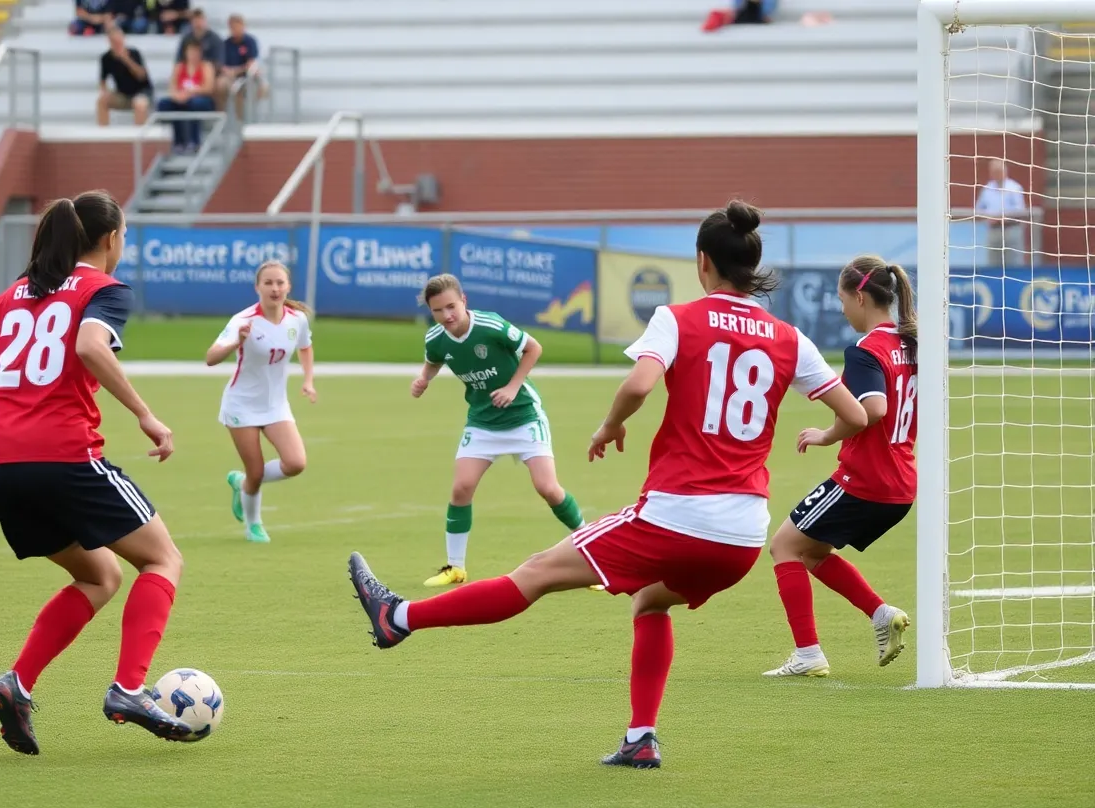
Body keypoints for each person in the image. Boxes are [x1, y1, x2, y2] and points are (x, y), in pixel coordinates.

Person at [349, 202, 867, 768]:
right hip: (743, 534)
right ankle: (640, 738)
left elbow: (641, 384)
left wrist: (611, 424)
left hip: (678, 515)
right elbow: (858, 417)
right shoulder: (789, 337)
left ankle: (397, 618)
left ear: (702, 261)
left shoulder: (678, 317)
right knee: (650, 601)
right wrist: (824, 433)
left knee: (537, 572)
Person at [0, 190, 192, 755]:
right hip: (62, 456)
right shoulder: (104, 290)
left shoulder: (10, 297)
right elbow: (88, 346)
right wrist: (146, 415)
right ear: (110, 239)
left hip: (2, 468)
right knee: (162, 558)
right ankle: (130, 688)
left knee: (100, 576)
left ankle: (17, 683)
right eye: (124, 236)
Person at [763, 255, 916, 678]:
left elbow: (872, 410)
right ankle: (881, 614)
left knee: (783, 547)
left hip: (866, 478)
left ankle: (808, 655)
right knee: (811, 551)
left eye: (842, 299)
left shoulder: (866, 350)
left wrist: (827, 434)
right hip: (902, 482)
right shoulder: (911, 344)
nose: (842, 308)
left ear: (861, 296)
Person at [411, 274, 588, 588]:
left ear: (463, 300)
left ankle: (592, 552)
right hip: (482, 421)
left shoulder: (490, 326)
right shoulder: (435, 337)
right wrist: (424, 378)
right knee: (461, 488)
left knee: (548, 488)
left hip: (524, 416)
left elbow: (533, 348)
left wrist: (512, 386)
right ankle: (455, 567)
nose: (447, 315)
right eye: (438, 310)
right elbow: (434, 360)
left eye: (451, 306)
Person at [205, 261, 315, 543]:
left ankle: (241, 483)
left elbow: (305, 346)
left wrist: (308, 380)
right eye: (268, 283)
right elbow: (211, 357)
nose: (275, 288)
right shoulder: (243, 321)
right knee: (255, 470)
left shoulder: (297, 320)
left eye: (280, 283)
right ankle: (254, 525)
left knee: (296, 463)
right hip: (241, 405)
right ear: (258, 287)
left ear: (288, 286)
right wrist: (234, 343)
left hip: (276, 405)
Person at [156, 39, 215, 154]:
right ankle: (178, 141)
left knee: (194, 104)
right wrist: (177, 96)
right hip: (182, 98)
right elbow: (172, 88)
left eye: (196, 52)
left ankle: (195, 141)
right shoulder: (179, 67)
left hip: (200, 98)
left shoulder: (206, 66)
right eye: (191, 51)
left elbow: (208, 88)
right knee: (166, 104)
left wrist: (192, 92)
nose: (193, 55)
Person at [97, 27, 152, 127]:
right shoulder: (106, 58)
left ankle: (139, 138)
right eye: (114, 42)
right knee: (101, 100)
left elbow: (142, 76)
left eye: (119, 41)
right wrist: (105, 92)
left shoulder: (134, 53)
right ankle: (103, 135)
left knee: (139, 104)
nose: (117, 44)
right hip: (122, 94)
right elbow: (102, 81)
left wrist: (126, 59)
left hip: (141, 92)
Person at [217, 13, 267, 118]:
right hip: (230, 78)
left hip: (247, 77)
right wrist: (230, 72)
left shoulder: (250, 41)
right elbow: (223, 66)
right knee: (220, 84)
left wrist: (236, 71)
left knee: (250, 89)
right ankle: (221, 115)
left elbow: (251, 64)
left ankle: (245, 119)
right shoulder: (226, 44)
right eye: (232, 27)